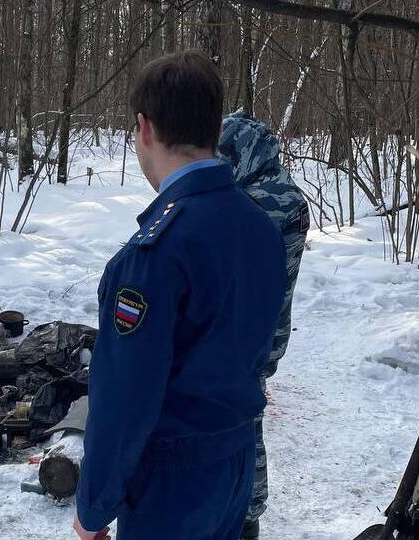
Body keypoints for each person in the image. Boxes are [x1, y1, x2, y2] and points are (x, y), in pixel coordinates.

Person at [73, 50, 287, 540]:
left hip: (173, 481)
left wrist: (93, 506)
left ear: (144, 128)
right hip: (235, 463)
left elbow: (125, 398)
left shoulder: (155, 253)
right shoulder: (259, 227)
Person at [217, 112, 310, 539]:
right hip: (271, 333)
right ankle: (249, 512)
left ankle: (246, 514)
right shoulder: (285, 193)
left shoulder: (260, 202)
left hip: (245, 338)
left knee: (241, 420)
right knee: (249, 408)